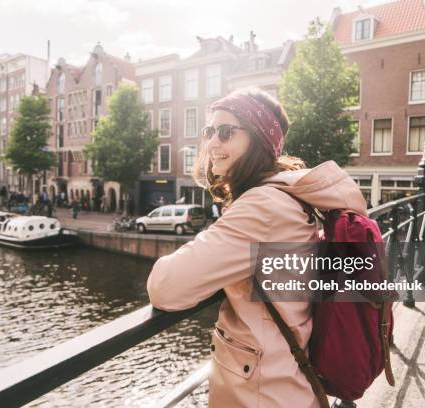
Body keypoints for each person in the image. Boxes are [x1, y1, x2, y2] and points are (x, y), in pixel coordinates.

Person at [146, 88, 367, 407]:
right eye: (210, 131)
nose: (212, 143)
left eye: (226, 132)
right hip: (286, 382)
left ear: (259, 140)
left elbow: (165, 287)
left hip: (263, 393)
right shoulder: (288, 197)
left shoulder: (261, 207)